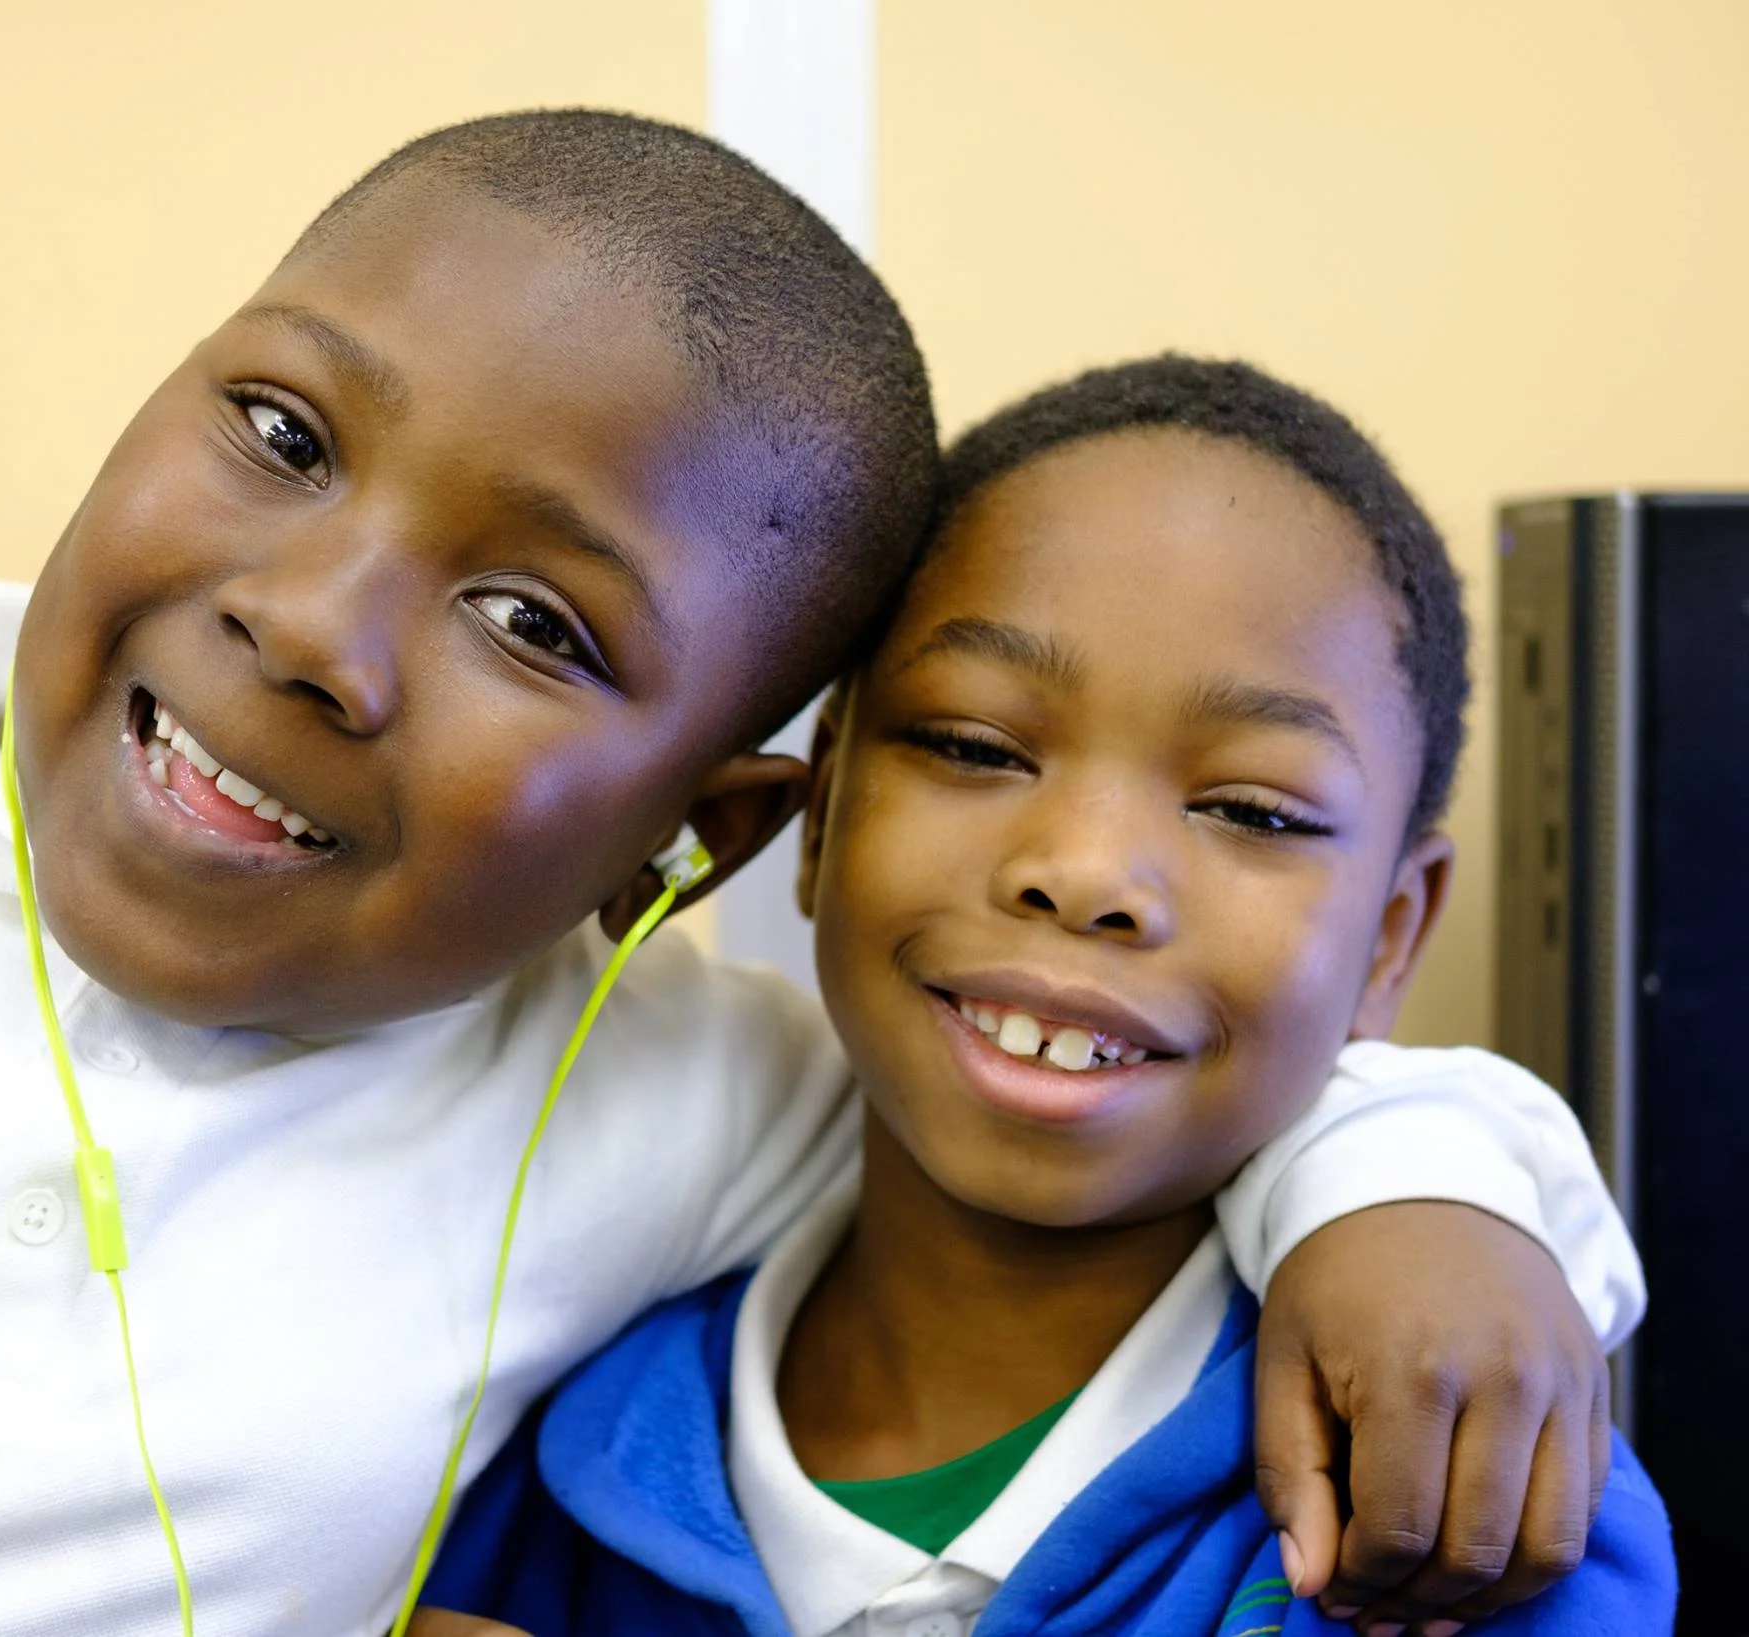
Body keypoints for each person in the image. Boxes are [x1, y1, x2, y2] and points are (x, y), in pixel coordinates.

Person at [0, 111, 1634, 1635]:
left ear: (699, 844)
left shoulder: (657, 1101)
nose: (308, 629)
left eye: (533, 622)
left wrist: (1416, 1190)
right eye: (282, 432)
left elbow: (1075, 1073)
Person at [418, 357, 1675, 1635]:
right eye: (973, 746)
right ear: (823, 806)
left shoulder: (1456, 1500)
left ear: (1389, 936)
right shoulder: (538, 1445)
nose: (1082, 872)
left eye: (1251, 810)